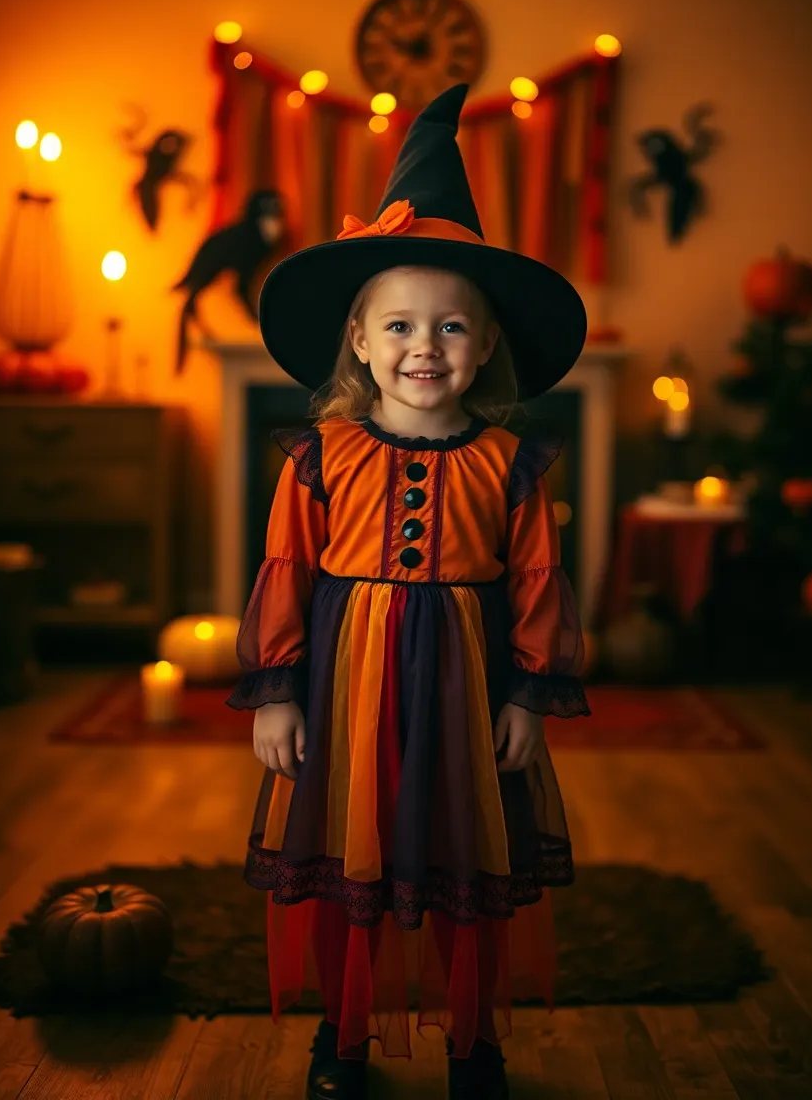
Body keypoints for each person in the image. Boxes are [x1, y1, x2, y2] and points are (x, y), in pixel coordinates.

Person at [227, 83, 590, 1100]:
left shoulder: (511, 465)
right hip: (349, 681)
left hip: (467, 682)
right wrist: (275, 693)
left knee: (469, 855)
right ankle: (339, 1039)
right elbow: (286, 575)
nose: (423, 349)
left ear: (484, 348)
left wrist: (527, 697)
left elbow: (536, 584)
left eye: (450, 330)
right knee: (353, 853)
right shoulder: (319, 457)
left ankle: (474, 1040)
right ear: (356, 340)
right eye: (397, 326)